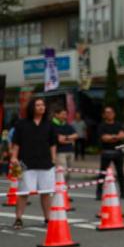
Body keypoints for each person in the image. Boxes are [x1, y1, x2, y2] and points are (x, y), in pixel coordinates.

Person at [10, 97, 57, 229]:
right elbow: (16, 143)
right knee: (23, 193)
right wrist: (14, 157)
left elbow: (53, 144)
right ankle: (18, 219)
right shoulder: (21, 124)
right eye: (38, 105)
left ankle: (48, 219)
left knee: (46, 193)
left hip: (46, 163)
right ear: (32, 108)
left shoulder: (49, 124)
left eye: (43, 105)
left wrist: (53, 158)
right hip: (25, 163)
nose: (41, 107)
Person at [95, 106, 124, 200]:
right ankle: (99, 193)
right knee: (102, 173)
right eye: (107, 112)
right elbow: (104, 138)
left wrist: (111, 137)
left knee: (120, 173)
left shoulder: (119, 125)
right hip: (106, 152)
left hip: (118, 152)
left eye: (110, 112)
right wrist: (116, 136)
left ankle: (123, 192)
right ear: (104, 115)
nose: (109, 114)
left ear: (114, 114)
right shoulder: (102, 126)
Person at [51, 106, 78, 174]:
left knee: (69, 173)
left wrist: (66, 137)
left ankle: (66, 185)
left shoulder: (67, 124)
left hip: (70, 151)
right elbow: (60, 140)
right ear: (56, 114)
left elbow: (76, 135)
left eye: (66, 114)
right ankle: (61, 185)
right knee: (62, 174)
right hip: (60, 152)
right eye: (63, 114)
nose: (65, 116)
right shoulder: (51, 125)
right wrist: (71, 140)